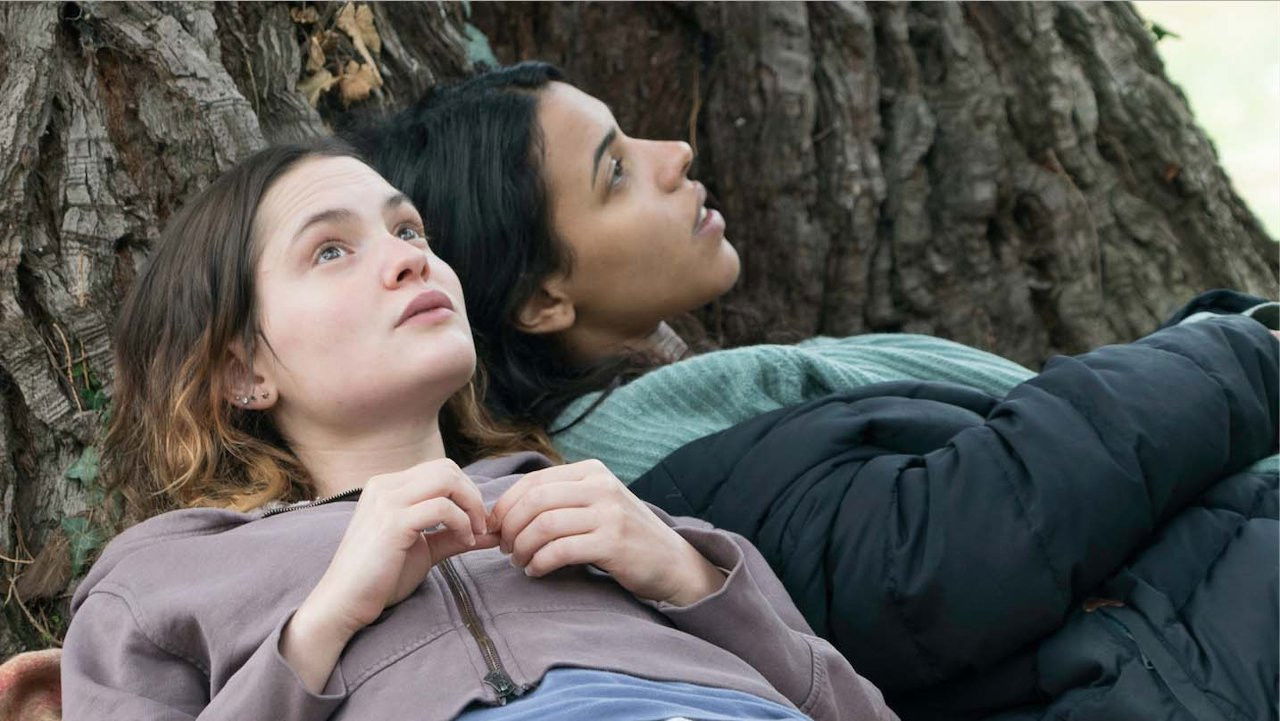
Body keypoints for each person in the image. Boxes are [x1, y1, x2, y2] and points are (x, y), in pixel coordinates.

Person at [351, 63, 1280, 720]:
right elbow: (943, 553)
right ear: (544, 300)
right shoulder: (658, 474)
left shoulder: (699, 411)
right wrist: (1243, 354)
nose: (674, 152)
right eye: (617, 172)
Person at [59, 139, 896, 721]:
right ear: (242, 370)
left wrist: (688, 576)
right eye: (330, 251)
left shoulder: (605, 508)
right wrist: (318, 627)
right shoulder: (166, 575)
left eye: (408, 230)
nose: (409, 258)